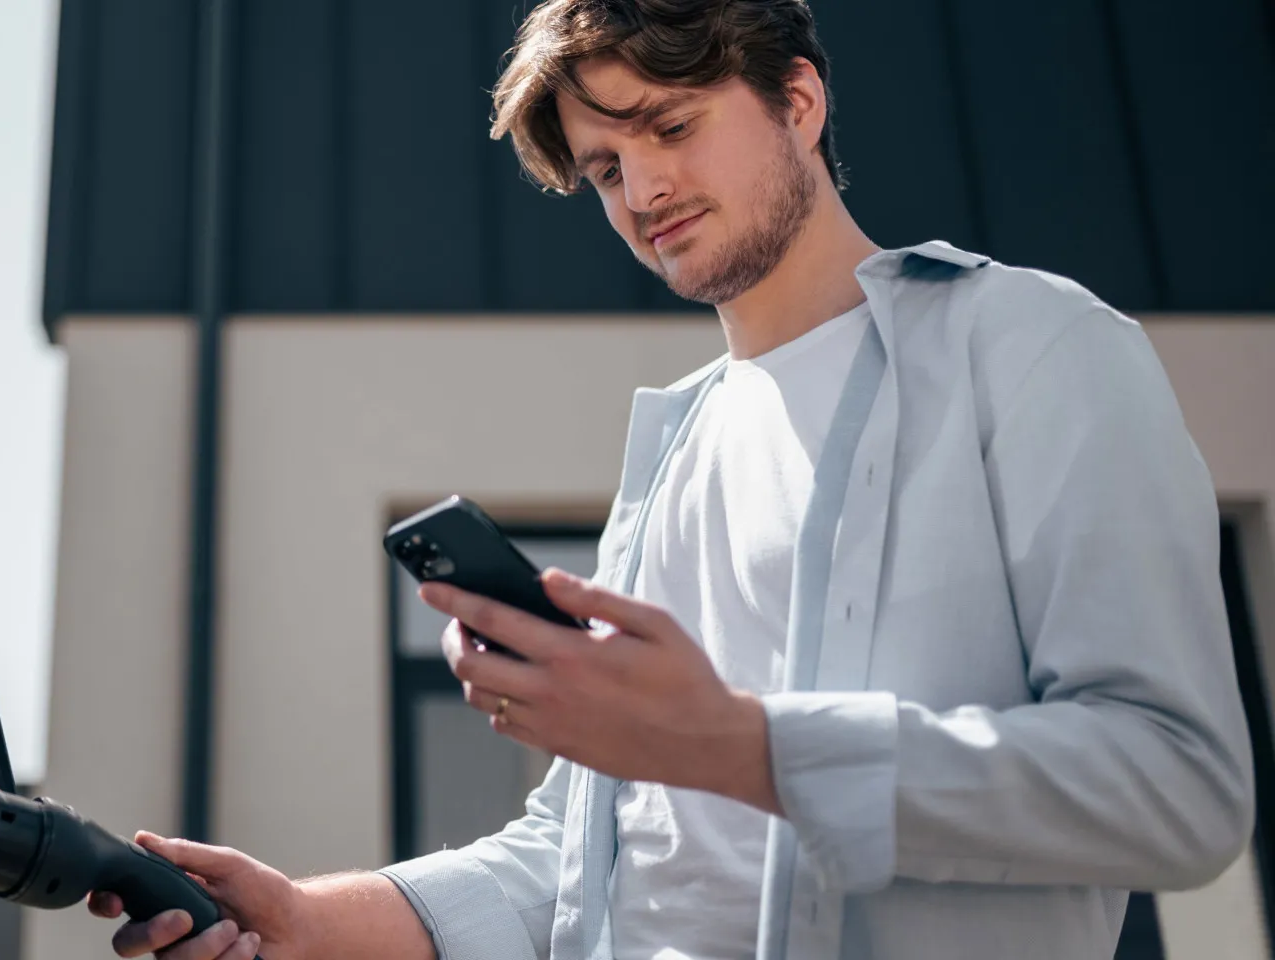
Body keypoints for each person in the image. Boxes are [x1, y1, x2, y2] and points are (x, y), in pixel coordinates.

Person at [88, 0, 1255, 957]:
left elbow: (1181, 787)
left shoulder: (1035, 347)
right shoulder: (678, 451)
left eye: (671, 126)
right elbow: (585, 853)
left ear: (799, 101)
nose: (642, 194)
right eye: (606, 167)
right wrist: (309, 920)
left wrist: (741, 746)